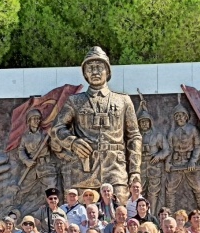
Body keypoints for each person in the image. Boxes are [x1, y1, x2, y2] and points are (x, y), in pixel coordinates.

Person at [49, 46, 142, 201]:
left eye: (99, 67)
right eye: (90, 68)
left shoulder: (123, 101)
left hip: (115, 168)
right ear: (85, 74)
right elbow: (57, 128)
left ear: (108, 71)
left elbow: (134, 137)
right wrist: (72, 142)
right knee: (81, 217)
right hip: (84, 168)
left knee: (119, 214)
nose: (95, 72)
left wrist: (135, 171)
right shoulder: (75, 101)